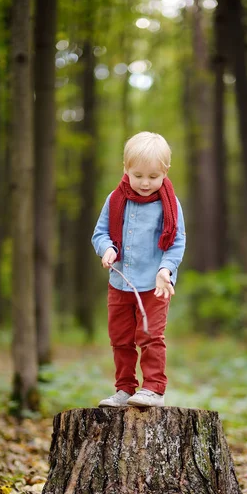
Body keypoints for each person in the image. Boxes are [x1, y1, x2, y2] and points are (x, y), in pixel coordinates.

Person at [92, 131, 186, 407]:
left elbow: (177, 241)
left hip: (154, 285)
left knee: (150, 336)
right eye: (139, 175)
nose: (145, 183)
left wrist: (166, 270)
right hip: (120, 283)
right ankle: (125, 389)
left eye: (153, 177)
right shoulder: (115, 200)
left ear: (165, 173)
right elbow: (100, 234)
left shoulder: (169, 205)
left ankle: (154, 388)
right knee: (120, 338)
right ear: (126, 169)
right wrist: (107, 248)